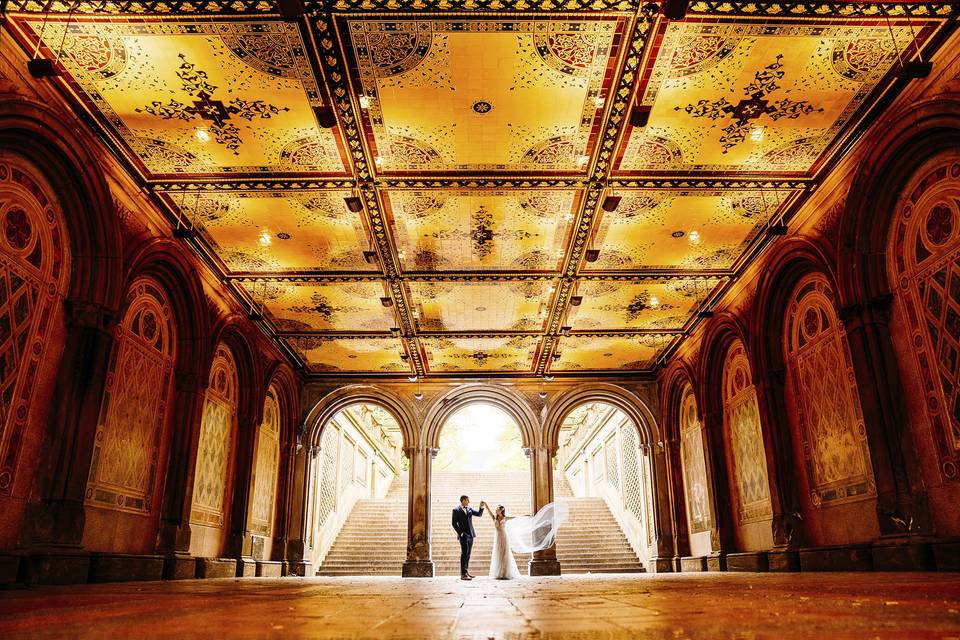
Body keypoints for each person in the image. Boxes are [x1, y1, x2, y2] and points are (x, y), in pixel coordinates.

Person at [451, 495, 484, 580]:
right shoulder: (456, 510)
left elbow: (479, 514)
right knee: (464, 553)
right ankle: (463, 574)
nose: (469, 502)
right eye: (467, 500)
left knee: (468, 554)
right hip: (463, 535)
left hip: (471, 534)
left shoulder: (469, 509)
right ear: (463, 500)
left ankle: (466, 572)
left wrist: (481, 507)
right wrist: (460, 533)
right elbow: (454, 523)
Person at [488, 505, 521, 580]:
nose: (496, 510)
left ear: (501, 510)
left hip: (504, 537)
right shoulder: (494, 517)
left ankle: (505, 572)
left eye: (497, 509)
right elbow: (489, 512)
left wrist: (525, 516)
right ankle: (499, 572)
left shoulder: (505, 518)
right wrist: (486, 505)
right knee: (498, 553)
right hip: (497, 537)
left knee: (505, 553)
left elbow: (514, 517)